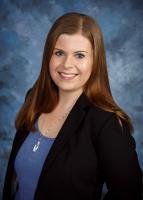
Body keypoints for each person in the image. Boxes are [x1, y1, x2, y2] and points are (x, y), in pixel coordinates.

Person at [2, 12, 142, 200]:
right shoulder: (34, 99)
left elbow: (130, 193)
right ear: (48, 56)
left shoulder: (106, 122)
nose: (67, 64)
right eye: (59, 53)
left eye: (79, 55)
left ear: (95, 61)